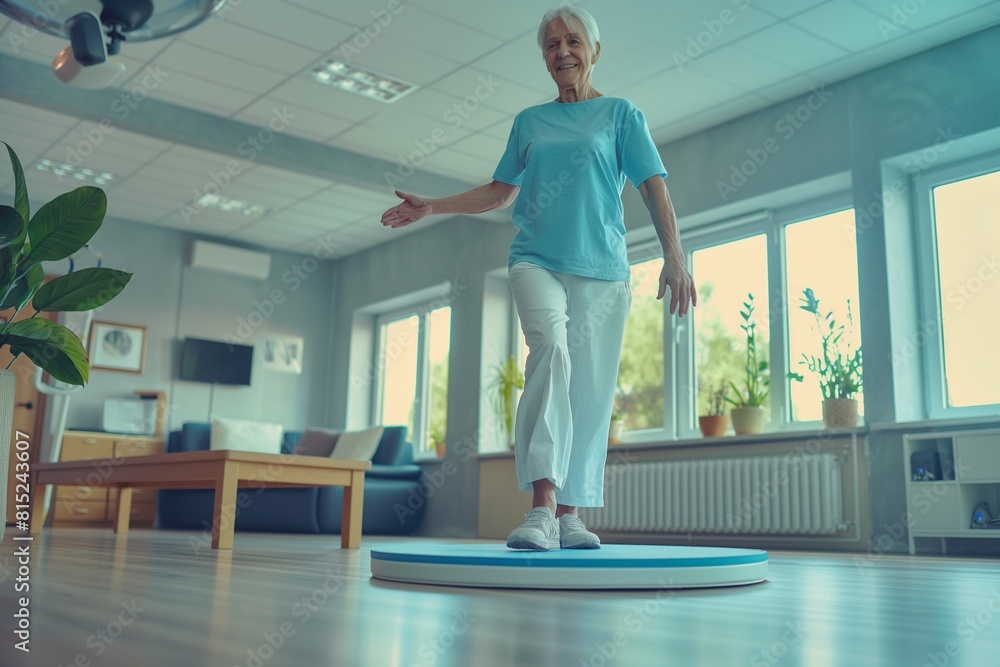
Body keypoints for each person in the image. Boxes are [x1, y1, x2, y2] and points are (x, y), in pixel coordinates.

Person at [381, 6, 695, 550]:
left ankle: (570, 516)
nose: (562, 53)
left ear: (594, 50)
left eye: (572, 42)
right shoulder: (530, 121)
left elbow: (653, 186)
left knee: (591, 391)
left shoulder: (621, 114)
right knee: (549, 349)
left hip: (602, 268)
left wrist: (676, 256)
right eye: (551, 46)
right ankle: (542, 507)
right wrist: (432, 206)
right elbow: (500, 191)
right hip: (536, 259)